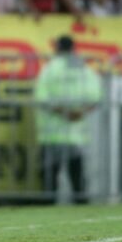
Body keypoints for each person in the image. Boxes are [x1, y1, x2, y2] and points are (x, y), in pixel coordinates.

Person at [34, 36, 103, 203]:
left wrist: (64, 112)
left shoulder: (50, 69)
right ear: (73, 48)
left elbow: (41, 98)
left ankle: (48, 206)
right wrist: (79, 113)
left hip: (52, 134)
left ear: (57, 48)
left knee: (50, 178)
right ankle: (82, 207)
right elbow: (96, 97)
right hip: (76, 134)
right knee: (77, 176)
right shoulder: (84, 69)